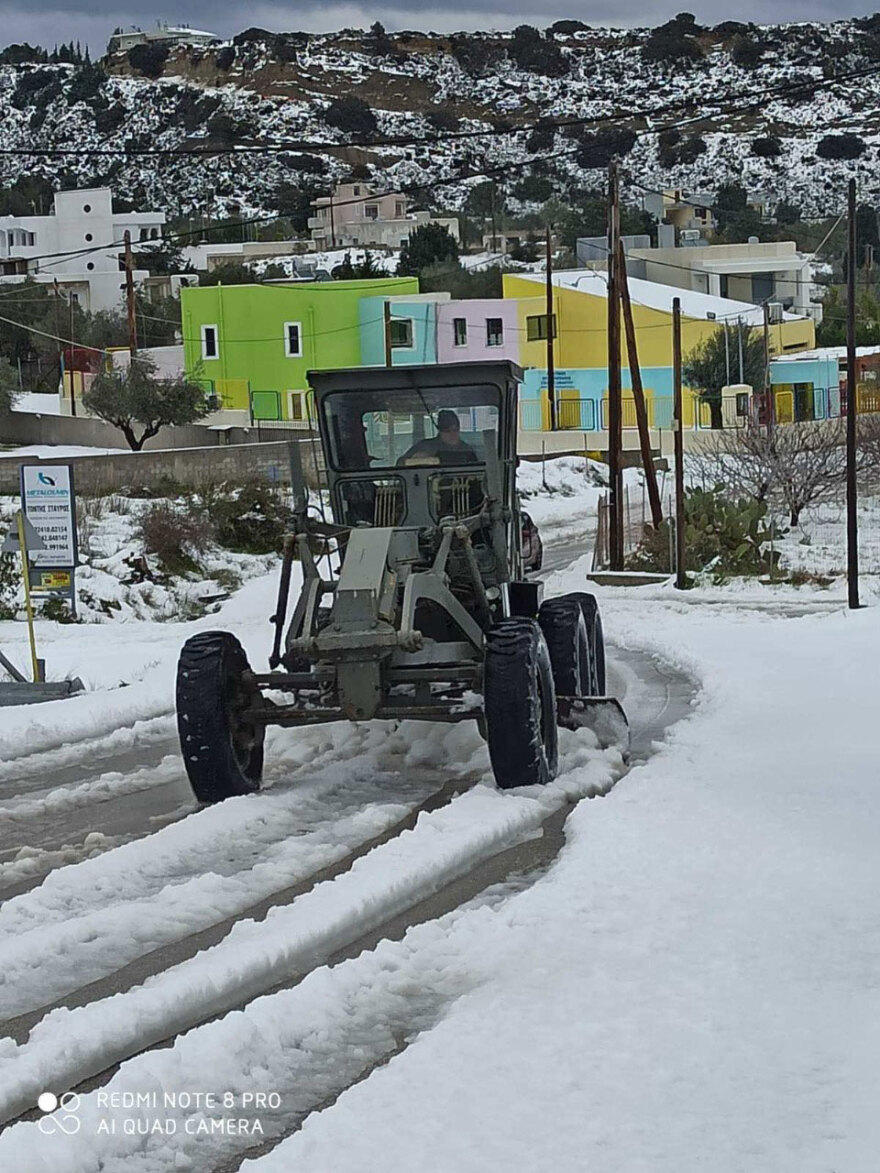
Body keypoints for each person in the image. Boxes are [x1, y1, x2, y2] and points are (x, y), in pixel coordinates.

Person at [398, 409, 478, 465]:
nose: (452, 434)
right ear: (440, 431)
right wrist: (416, 459)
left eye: (455, 430)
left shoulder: (467, 450)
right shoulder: (425, 447)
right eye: (447, 431)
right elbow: (400, 464)